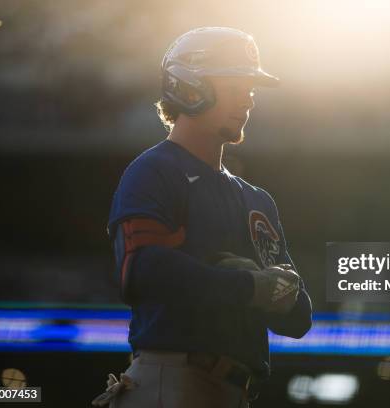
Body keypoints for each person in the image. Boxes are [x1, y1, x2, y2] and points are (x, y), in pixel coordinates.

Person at [92, 27, 313, 408]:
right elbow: (141, 270)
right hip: (174, 380)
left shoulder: (256, 198)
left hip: (235, 391)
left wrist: (269, 289)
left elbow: (299, 318)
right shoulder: (154, 170)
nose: (248, 99)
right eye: (235, 85)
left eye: (251, 88)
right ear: (190, 87)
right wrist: (248, 286)